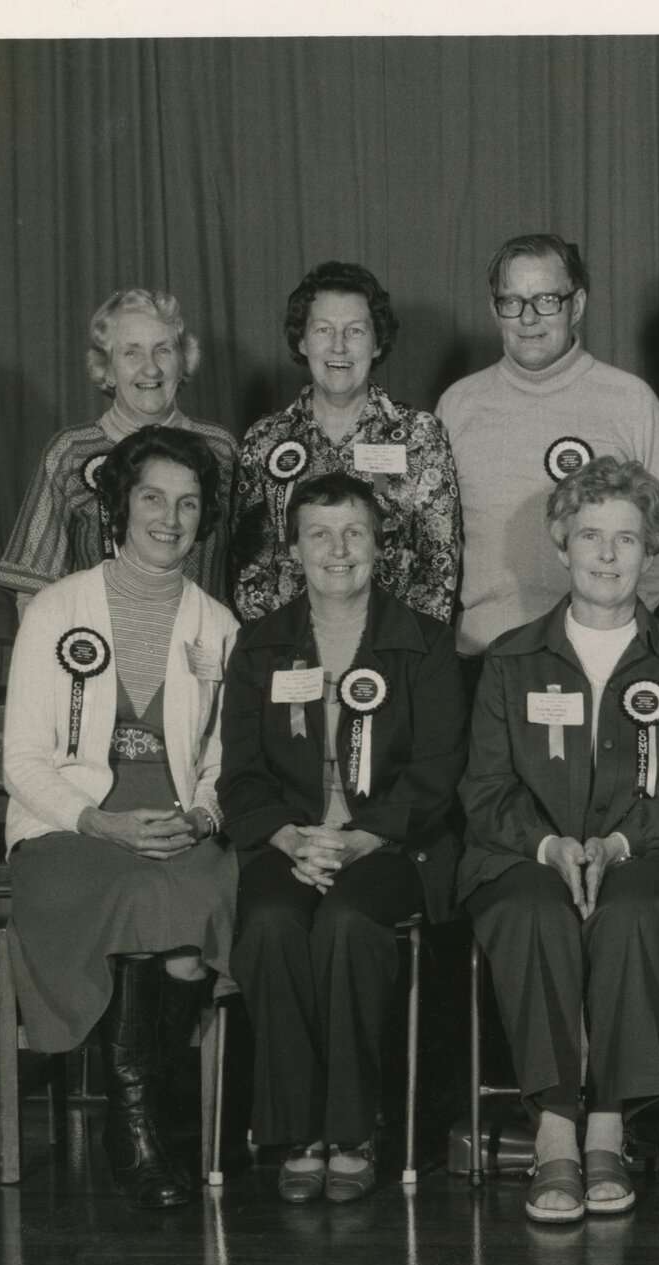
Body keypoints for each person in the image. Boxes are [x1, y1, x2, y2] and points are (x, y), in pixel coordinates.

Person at [459, 459, 659, 1223]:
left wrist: (612, 847)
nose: (607, 555)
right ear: (561, 543)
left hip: (649, 857)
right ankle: (555, 1131)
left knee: (634, 912)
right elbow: (484, 790)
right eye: (591, 536)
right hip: (522, 858)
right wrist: (550, 848)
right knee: (534, 911)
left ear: (651, 549)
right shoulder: (510, 657)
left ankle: (609, 1120)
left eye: (627, 539)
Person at [1, 424, 241, 1209]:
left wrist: (202, 819)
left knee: (192, 896)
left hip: (173, 824)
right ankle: (138, 1126)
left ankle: (141, 1119)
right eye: (151, 498)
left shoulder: (219, 625)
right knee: (145, 902)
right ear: (119, 504)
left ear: (203, 518)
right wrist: (100, 823)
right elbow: (23, 761)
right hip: (69, 832)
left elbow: (221, 764)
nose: (169, 518)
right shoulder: (56, 610)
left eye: (188, 502)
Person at [219, 474, 467, 1204]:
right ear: (293, 548)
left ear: (379, 545)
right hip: (288, 842)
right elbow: (240, 776)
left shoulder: (422, 640)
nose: (338, 549)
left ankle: (355, 1129)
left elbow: (437, 772)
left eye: (354, 532)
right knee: (266, 924)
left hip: (395, 846)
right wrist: (291, 837)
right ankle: (300, 1132)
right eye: (320, 534)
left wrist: (361, 838)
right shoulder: (260, 645)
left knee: (348, 923)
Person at [439, 234, 659, 658]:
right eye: (511, 301)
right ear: (494, 310)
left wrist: (608, 631)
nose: (528, 318)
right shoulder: (457, 406)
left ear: (578, 305)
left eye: (546, 299)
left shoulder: (631, 401)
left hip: (599, 652)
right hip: (482, 652)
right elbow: (436, 546)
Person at [230, 262, 461, 624]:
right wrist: (277, 648)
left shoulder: (420, 435)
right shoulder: (265, 440)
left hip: (394, 658)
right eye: (323, 329)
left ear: (377, 341)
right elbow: (250, 568)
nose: (338, 346)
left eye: (355, 330)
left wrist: (410, 654)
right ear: (302, 340)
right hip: (289, 659)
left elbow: (438, 566)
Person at [0, 289, 238, 612]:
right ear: (107, 369)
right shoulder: (70, 451)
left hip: (201, 648)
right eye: (131, 353)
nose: (151, 369)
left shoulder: (220, 448)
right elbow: (32, 586)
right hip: (98, 650)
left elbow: (250, 566)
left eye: (163, 350)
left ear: (183, 362)